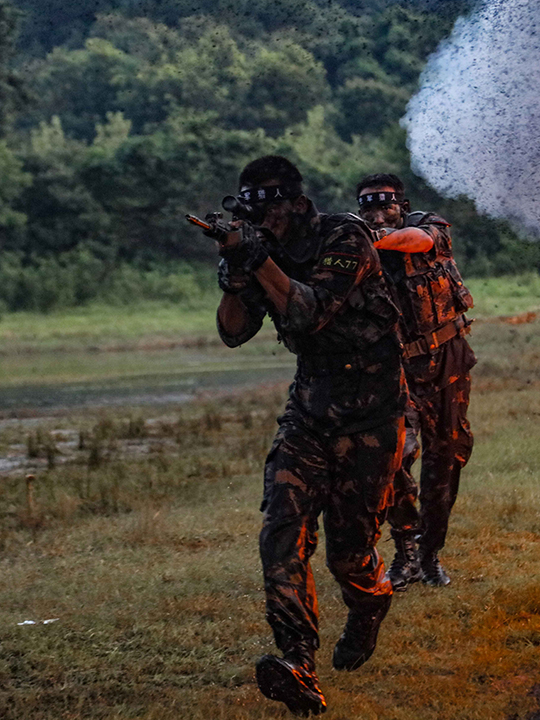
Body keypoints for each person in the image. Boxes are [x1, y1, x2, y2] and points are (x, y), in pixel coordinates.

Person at [214, 156, 406, 717]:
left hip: (372, 414)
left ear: (297, 203)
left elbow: (309, 312)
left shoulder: (345, 236)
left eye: (272, 209)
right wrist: (235, 271)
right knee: (282, 529)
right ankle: (298, 661)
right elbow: (233, 332)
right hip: (310, 410)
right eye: (255, 212)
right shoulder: (259, 248)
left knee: (351, 555)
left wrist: (260, 260)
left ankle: (371, 604)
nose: (264, 221)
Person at [355, 174, 475, 589]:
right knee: (395, 459)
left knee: (447, 458)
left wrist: (376, 237)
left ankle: (429, 553)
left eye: (384, 206)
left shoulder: (429, 229)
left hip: (447, 364)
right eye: (367, 208)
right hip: (397, 373)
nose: (376, 215)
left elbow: (417, 241)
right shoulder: (359, 252)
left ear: (401, 206)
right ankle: (405, 550)